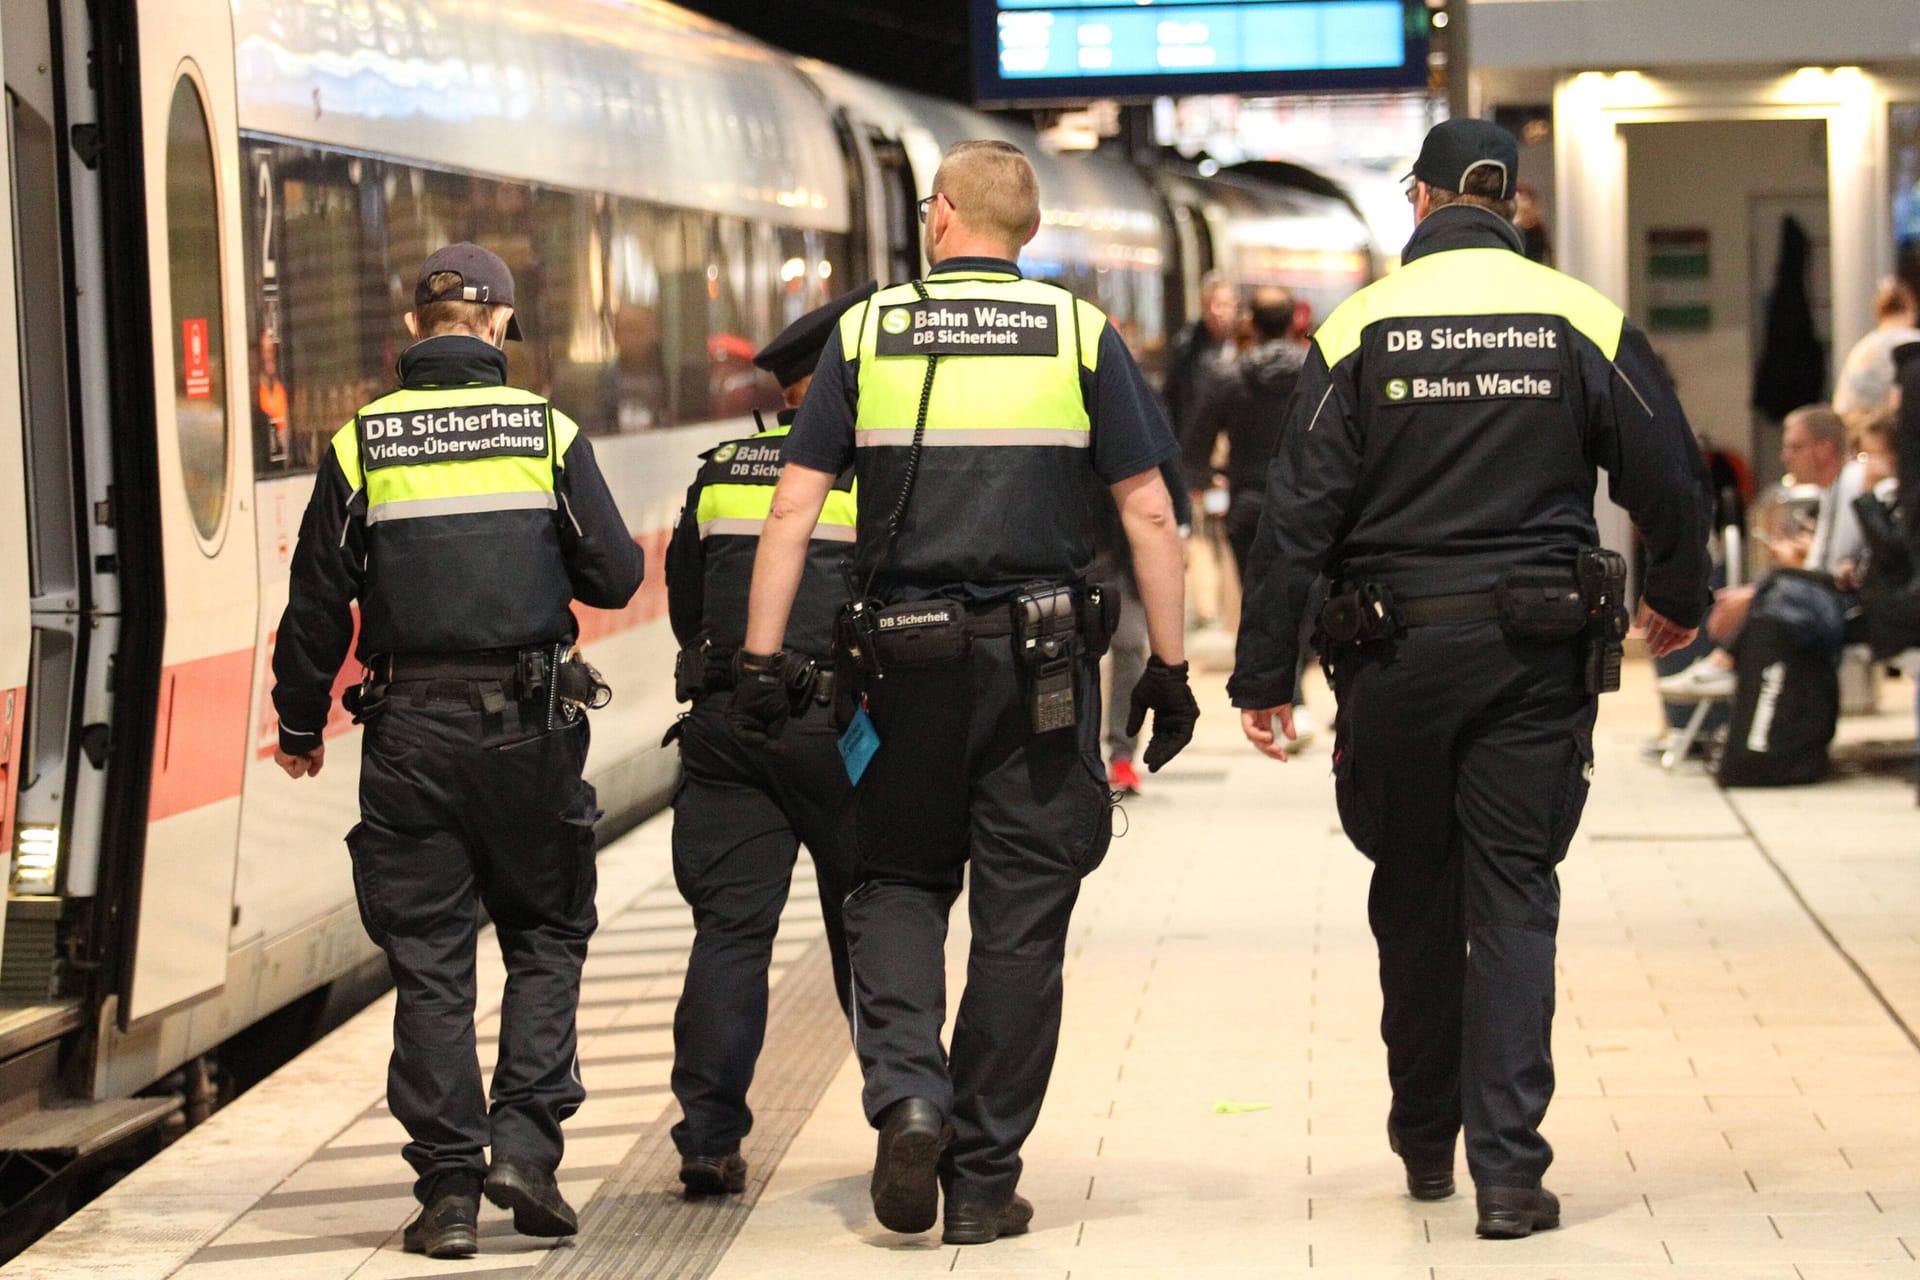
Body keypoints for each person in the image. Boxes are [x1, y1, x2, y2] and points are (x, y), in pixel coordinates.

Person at [1230, 119, 1710, 1239]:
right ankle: (1509, 1171)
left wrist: (1266, 671)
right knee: (1513, 901)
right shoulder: (1581, 316)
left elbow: (1294, 513)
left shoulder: (1359, 327)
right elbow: (1671, 471)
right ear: (1512, 204)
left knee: (1411, 892)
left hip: (1391, 661)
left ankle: (1423, 1136)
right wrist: (1677, 593)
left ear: (1423, 200)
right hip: (1533, 661)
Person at [731, 139, 1198, 1246]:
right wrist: (1170, 672)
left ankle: (909, 1094)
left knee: (894, 881)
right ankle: (983, 1178)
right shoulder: (1081, 334)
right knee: (1023, 917)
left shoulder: (868, 330)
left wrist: (757, 662)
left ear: (941, 217)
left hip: (902, 668)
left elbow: (792, 510)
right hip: (1041, 673)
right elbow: (1149, 514)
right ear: (1023, 229)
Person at [271, 243, 644, 1259]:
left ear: (411, 329)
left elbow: (316, 604)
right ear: (498, 327)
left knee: (432, 960)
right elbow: (613, 575)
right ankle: (524, 1145)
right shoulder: (545, 430)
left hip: (410, 735)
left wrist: (299, 724)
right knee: (546, 929)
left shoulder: (361, 444)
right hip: (531, 726)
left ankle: (445, 1191)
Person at [660, 282, 875, 1197]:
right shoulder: (870, 475)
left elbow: (683, 606)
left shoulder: (716, 471)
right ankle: (909, 1111)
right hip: (839, 730)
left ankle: (708, 1138)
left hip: (726, 727)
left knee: (730, 935)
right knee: (870, 927)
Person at [1661, 404, 1862, 699]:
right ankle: (1725, 669)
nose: (1785, 458)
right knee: (1742, 591)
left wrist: (1760, 590)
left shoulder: (1850, 483)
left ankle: (1726, 664)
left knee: (1757, 595)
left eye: (1795, 447)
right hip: (1833, 593)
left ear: (1824, 449)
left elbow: (1829, 573)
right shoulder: (1835, 489)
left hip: (1847, 602)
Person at [1832, 276, 1920, 425]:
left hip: (1858, 432)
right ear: (1911, 308)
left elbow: (1842, 406)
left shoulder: (1861, 348)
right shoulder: (1914, 342)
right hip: (1897, 434)